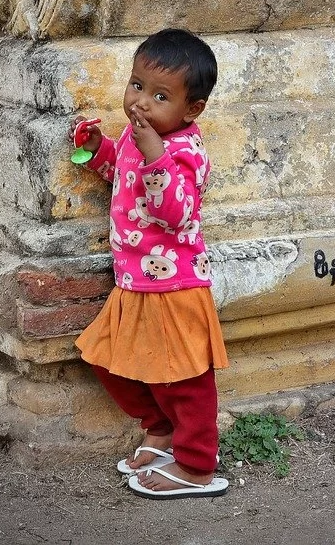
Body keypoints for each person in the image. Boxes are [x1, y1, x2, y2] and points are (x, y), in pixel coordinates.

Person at [71, 28, 229, 500]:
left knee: (186, 378)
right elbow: (117, 173)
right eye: (137, 85)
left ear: (191, 109)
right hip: (134, 281)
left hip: (176, 284)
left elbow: (175, 212)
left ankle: (198, 465)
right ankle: (159, 430)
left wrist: (154, 155)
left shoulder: (183, 151)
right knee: (107, 360)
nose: (141, 102)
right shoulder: (136, 138)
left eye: (161, 96)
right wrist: (97, 146)